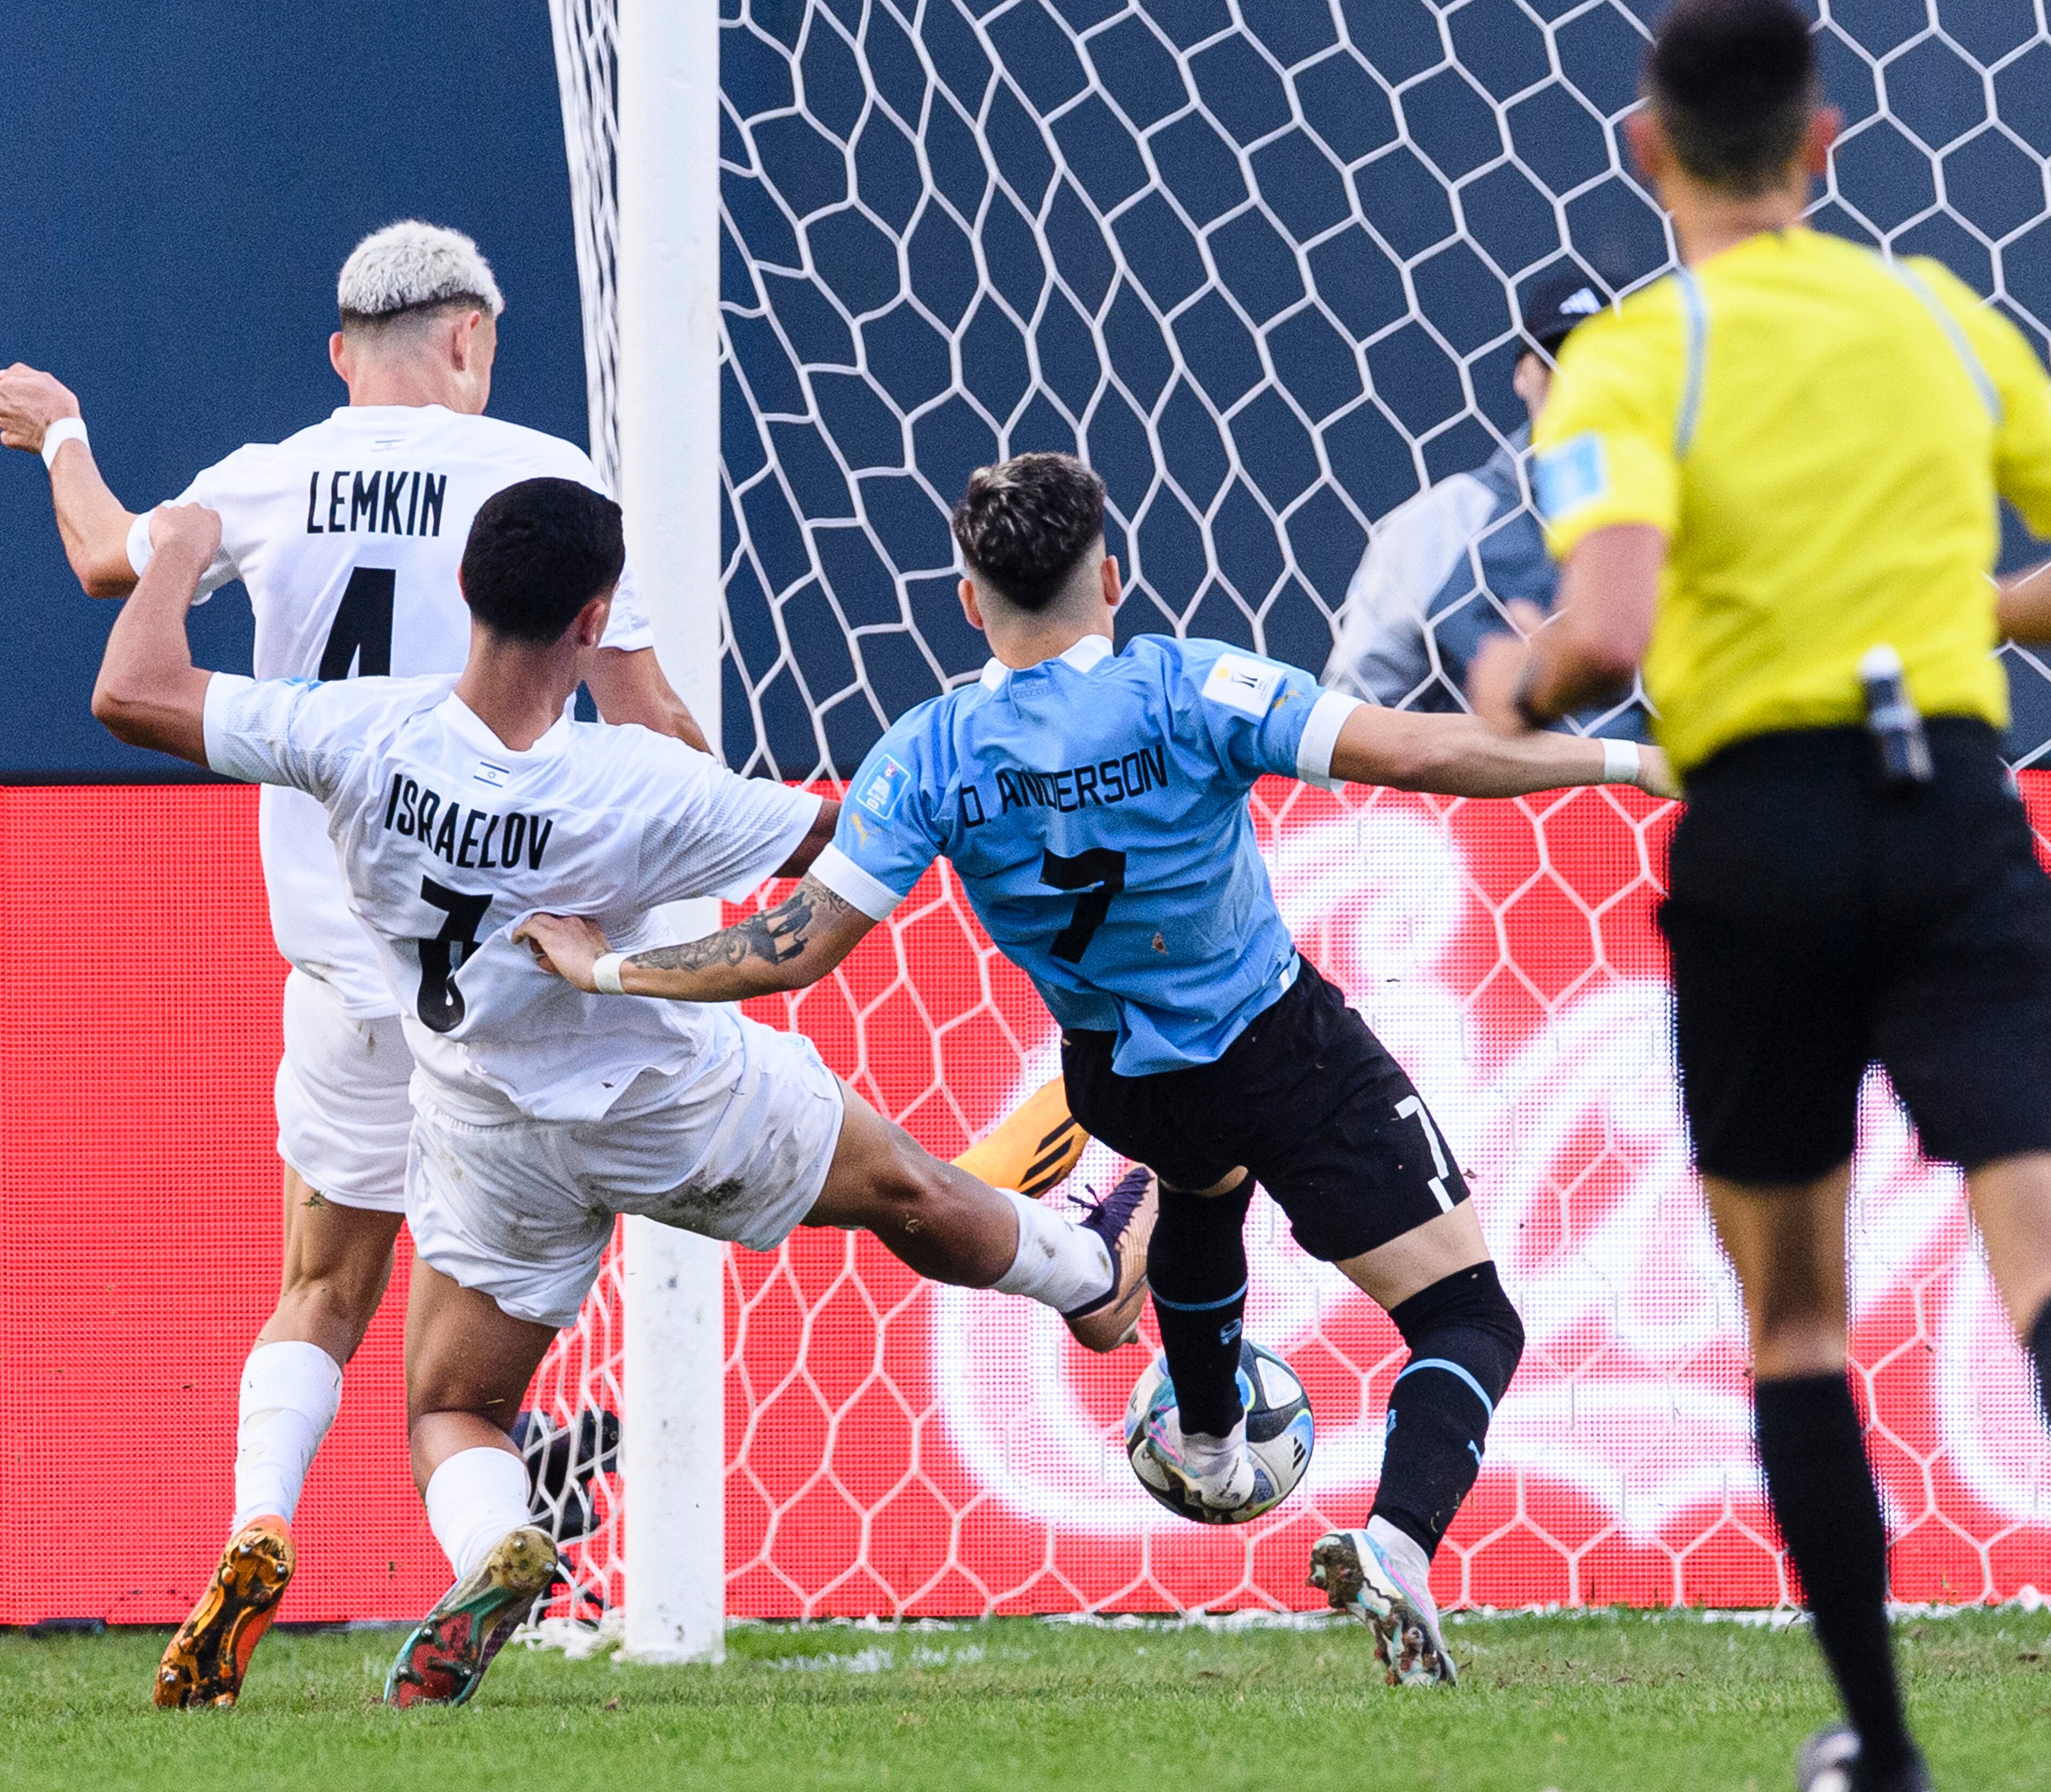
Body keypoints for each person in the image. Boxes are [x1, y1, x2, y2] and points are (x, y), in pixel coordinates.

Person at [509, 451, 1675, 1686]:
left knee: (1201, 1178)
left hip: (1118, 1073)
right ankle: (1396, 1536)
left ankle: (1215, 1439)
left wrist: (610, 975)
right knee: (1464, 1311)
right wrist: (1623, 762)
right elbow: (1421, 755)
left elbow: (793, 949)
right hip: (1278, 1043)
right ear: (1111, 578)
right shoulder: (1188, 684)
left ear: (968, 603)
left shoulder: (929, 750)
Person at [1468, 3, 2051, 1788]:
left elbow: (1615, 631)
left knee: (1795, 1319)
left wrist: (1515, 684)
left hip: (1765, 835)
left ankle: (1882, 1748)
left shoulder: (1635, 358)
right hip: (1956, 817)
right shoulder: (1937, 318)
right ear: (1823, 145)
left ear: (1647, 153)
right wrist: (1943, 615)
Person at [88, 478, 1158, 1709]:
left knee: (449, 1407)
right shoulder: (644, 787)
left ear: (463, 593)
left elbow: (135, 693)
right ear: (594, 620)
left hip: (490, 1131)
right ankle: (1092, 1284)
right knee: (909, 1189)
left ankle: (493, 1541)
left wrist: (173, 552)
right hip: (669, 1101)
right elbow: (852, 841)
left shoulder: (357, 732)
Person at [0, 221, 713, 1708]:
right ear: (471, 337)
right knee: (470, 1367)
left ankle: (260, 1520)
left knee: (321, 1286)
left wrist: (61, 432)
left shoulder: (265, 474)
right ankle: (508, 1529)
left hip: (342, 977)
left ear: (341, 350)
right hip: (513, 981)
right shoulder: (546, 477)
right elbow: (650, 733)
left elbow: (98, 555)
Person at [1322, 269, 1612, 721]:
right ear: (1521, 374)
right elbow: (1354, 724)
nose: (1579, 378)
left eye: (1607, 358)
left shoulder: (1711, 516)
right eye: (1559, 357)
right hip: (1489, 789)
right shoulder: (1441, 525)